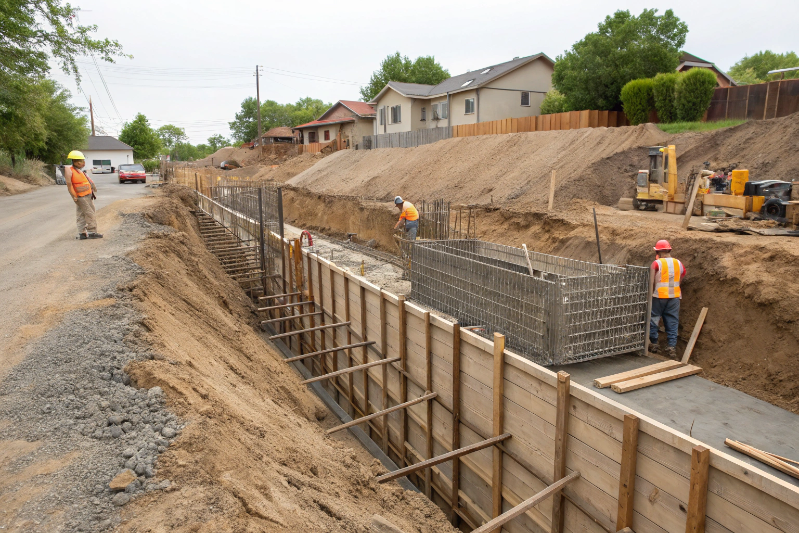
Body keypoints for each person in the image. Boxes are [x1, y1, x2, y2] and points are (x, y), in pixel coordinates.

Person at [648, 240, 685, 358]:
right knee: (672, 322)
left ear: (659, 251)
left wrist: (650, 295)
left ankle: (654, 343)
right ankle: (671, 347)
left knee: (653, 319)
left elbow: (651, 281)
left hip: (659, 296)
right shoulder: (679, 263)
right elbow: (680, 278)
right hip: (674, 297)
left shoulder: (656, 263)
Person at [64, 150, 103, 239]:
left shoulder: (79, 171)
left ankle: (82, 233)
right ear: (75, 161)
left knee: (81, 214)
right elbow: (69, 185)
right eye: (81, 161)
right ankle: (92, 232)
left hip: (87, 195)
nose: (83, 163)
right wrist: (74, 196)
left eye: (83, 161)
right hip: (80, 196)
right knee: (90, 213)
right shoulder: (69, 171)